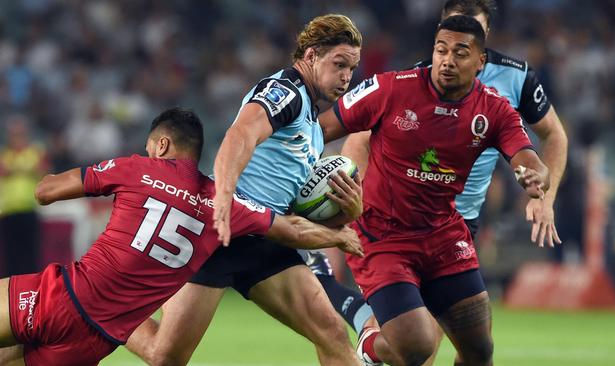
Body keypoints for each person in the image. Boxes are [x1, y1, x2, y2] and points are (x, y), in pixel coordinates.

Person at [0, 107, 363, 366]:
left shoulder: (135, 168)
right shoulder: (221, 204)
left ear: (160, 145)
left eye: (149, 146)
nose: (146, 152)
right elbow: (292, 230)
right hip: (95, 343)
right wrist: (341, 235)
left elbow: (45, 191)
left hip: (61, 298)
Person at [311, 0, 569, 363]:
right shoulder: (391, 88)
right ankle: (369, 343)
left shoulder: (495, 107)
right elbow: (322, 128)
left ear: (481, 61)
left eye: (460, 52)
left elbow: (528, 154)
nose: (447, 60)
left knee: (480, 350)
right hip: (386, 235)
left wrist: (535, 177)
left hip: (445, 235)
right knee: (417, 347)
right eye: (441, 49)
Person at [126, 14, 364, 365]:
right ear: (311, 56)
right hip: (221, 233)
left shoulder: (313, 124)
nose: (346, 76)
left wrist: (349, 210)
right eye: (339, 64)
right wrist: (223, 194)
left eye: (352, 68)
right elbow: (241, 134)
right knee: (166, 357)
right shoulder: (285, 92)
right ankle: (104, 312)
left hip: (264, 237)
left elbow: (295, 206)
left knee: (331, 333)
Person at [0, 115, 48, 277]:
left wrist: (15, 170)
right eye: (14, 134)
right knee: (11, 256)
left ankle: (32, 289)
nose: (17, 138)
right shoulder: (4, 154)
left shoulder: (34, 152)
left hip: (28, 209)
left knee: (30, 254)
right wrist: (24, 170)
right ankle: (12, 291)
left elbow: (43, 170)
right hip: (8, 211)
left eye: (20, 134)